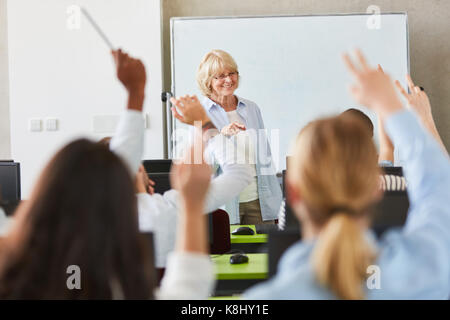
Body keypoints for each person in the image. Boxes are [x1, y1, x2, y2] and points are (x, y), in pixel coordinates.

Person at [0, 49, 215, 299]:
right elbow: (187, 290)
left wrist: (135, 94)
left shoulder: (10, 259)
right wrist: (191, 203)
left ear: (45, 186)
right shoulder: (115, 287)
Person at [244, 49, 450, 299]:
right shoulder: (427, 268)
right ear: (376, 189)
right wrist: (390, 105)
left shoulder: (265, 300)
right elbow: (438, 186)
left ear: (294, 193)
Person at [173, 49, 282, 225]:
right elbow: (201, 165)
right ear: (208, 81)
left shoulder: (251, 108)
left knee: (264, 251)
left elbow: (265, 155)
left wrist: (274, 199)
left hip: (259, 201)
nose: (229, 80)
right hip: (223, 204)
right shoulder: (200, 113)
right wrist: (220, 136)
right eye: (220, 76)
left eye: (232, 73)